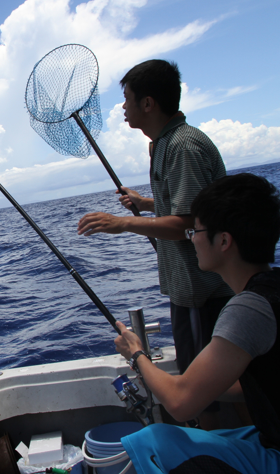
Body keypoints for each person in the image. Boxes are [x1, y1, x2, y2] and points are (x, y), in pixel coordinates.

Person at [77, 60, 233, 426]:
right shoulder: (165, 143)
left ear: (148, 103)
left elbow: (189, 225)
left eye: (128, 98)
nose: (123, 106)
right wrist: (146, 204)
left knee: (205, 400)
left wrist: (125, 223)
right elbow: (190, 204)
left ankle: (219, 456)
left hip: (204, 294)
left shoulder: (182, 147)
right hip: (191, 293)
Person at [114, 173, 280, 473]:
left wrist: (136, 354)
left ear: (224, 241)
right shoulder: (273, 288)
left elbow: (180, 404)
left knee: (151, 442)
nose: (191, 238)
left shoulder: (250, 308)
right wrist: (199, 385)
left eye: (196, 230)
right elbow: (257, 385)